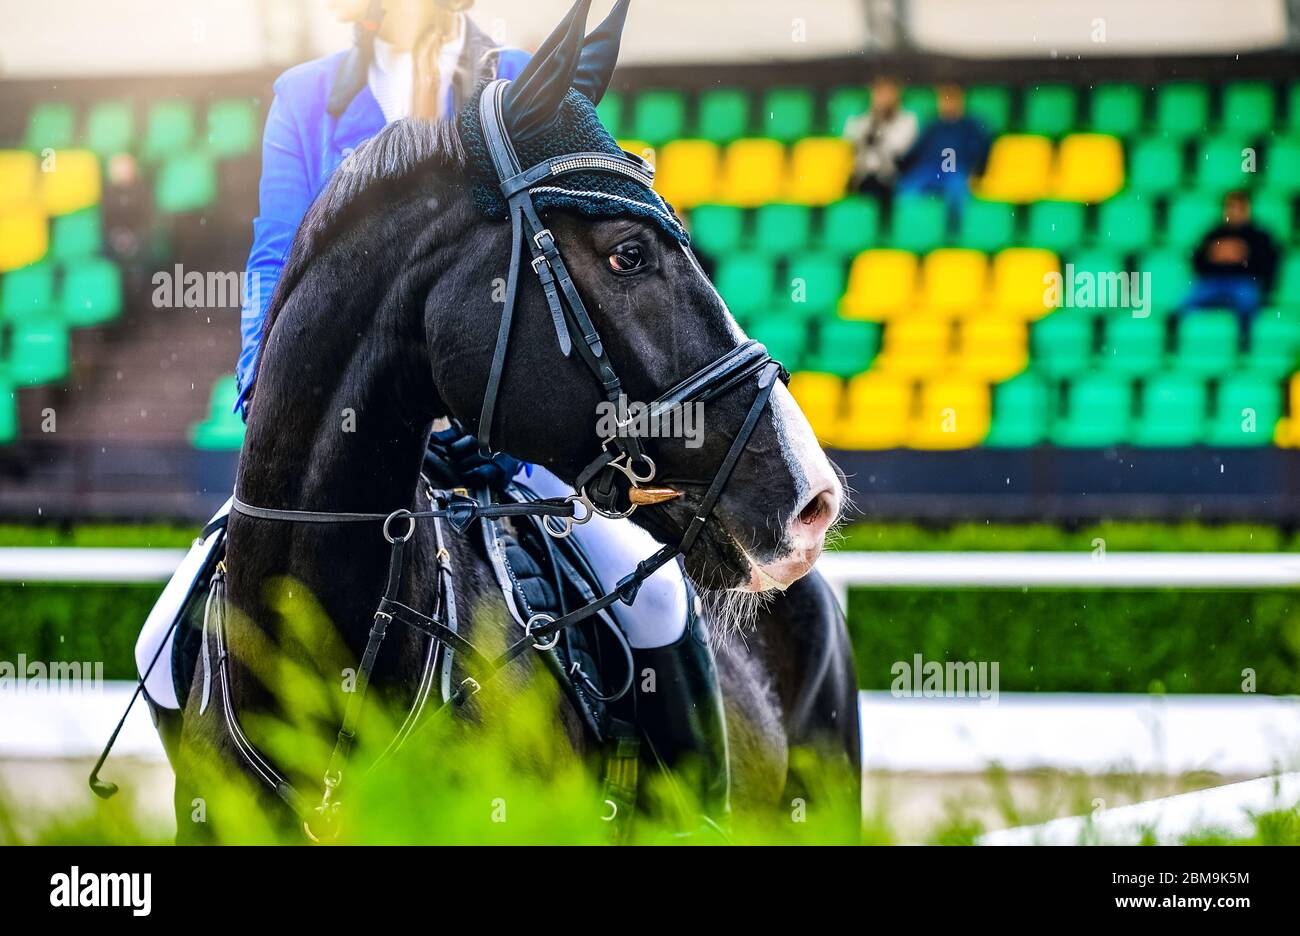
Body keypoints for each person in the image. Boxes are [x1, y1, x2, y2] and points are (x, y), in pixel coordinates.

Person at [139, 0, 728, 824]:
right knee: (160, 643)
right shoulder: (307, 97)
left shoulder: (520, 83)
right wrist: (265, 394)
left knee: (658, 599)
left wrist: (504, 426)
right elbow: (276, 254)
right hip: (350, 450)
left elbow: (574, 250)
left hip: (500, 442)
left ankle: (690, 822)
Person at [895, 83, 990, 222]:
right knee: (907, 190)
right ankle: (915, 225)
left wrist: (973, 172)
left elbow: (979, 152)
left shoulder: (970, 126)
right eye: (944, 99)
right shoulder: (932, 125)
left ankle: (953, 228)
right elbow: (916, 151)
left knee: (957, 190)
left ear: (961, 101)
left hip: (954, 169)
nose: (948, 104)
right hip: (928, 170)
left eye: (952, 99)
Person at [1182, 189, 1279, 321]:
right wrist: (1213, 256)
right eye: (1231, 207)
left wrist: (1243, 256)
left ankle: (1244, 333)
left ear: (1247, 210)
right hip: (1213, 282)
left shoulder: (1259, 235)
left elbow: (1268, 265)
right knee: (1183, 304)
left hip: (1243, 282)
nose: (1235, 212)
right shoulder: (1214, 233)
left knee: (1247, 303)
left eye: (1239, 208)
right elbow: (1196, 259)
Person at [842, 77, 917, 200]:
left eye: (888, 94)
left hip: (891, 176)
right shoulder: (861, 120)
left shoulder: (907, 120)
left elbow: (899, 150)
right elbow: (849, 142)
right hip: (862, 175)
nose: (884, 99)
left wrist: (878, 136)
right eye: (880, 93)